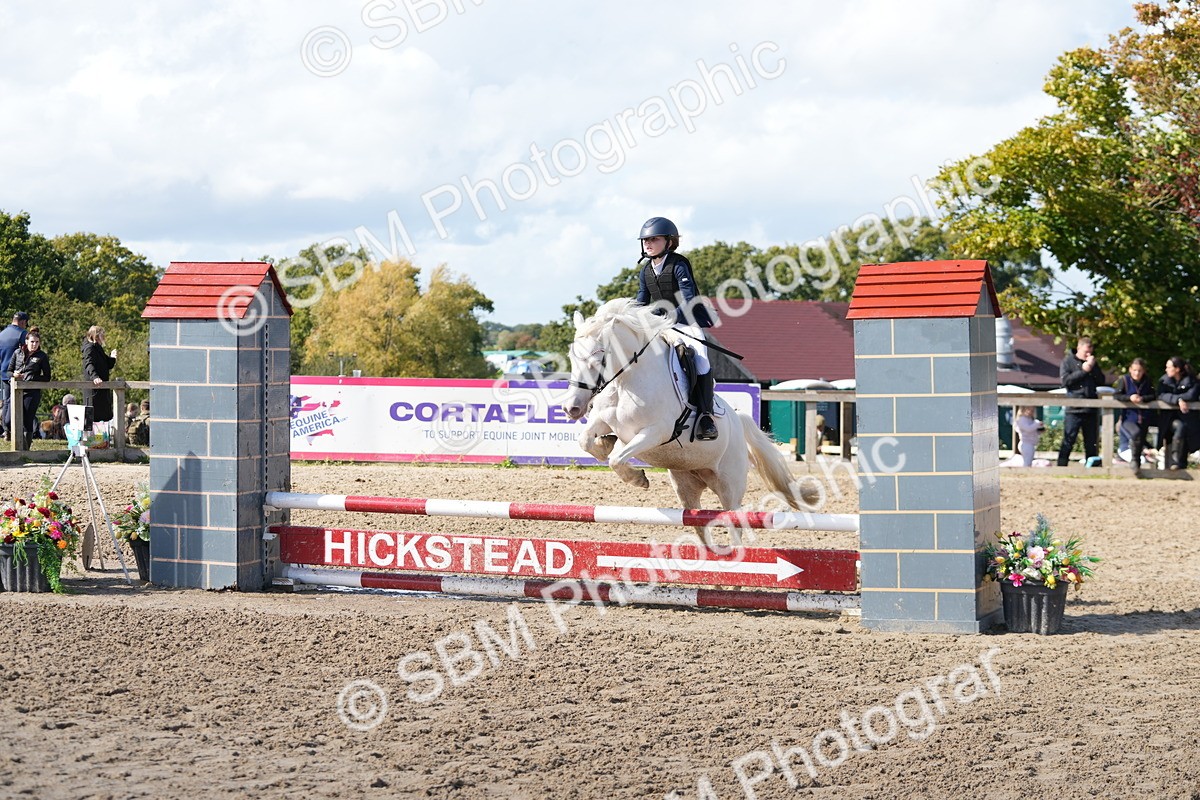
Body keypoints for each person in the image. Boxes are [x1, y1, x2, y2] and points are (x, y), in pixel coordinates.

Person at [633, 216, 719, 440]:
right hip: (659, 325)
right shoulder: (646, 270)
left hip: (685, 323)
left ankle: (706, 416)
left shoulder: (678, 264)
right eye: (645, 240)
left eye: (654, 239)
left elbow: (688, 299)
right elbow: (641, 301)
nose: (648, 243)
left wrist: (670, 318)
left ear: (669, 242)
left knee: (700, 360)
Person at [1056, 337, 1106, 466]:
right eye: (1086, 351)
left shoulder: (1093, 362)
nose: (1088, 354)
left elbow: (1101, 380)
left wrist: (1092, 367)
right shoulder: (1067, 362)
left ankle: (1092, 468)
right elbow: (1066, 381)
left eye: (1090, 351)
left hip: (1091, 407)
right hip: (1074, 408)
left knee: (1091, 441)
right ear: (1079, 348)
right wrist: (1084, 371)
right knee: (1069, 439)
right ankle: (1061, 466)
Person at [7, 328, 51, 450]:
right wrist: (14, 375)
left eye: (37, 342)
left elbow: (47, 377)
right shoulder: (17, 353)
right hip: (16, 390)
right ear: (26, 341)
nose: (34, 344)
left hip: (32, 392)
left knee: (28, 420)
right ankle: (13, 437)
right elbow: (8, 372)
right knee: (8, 419)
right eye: (32, 342)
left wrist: (31, 377)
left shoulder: (42, 356)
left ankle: (25, 449)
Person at [1112, 358, 1156, 476]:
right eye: (1135, 370)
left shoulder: (1147, 381)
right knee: (1135, 433)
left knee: (1141, 440)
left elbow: (1153, 395)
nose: (1137, 373)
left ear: (1143, 371)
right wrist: (1129, 398)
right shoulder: (1125, 380)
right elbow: (1117, 395)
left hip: (1143, 417)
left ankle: (1137, 467)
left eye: (1140, 371)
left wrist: (1143, 399)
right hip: (1129, 418)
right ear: (1130, 370)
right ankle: (1134, 462)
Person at [1156, 356, 1200, 470]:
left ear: (1177, 369)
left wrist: (1179, 398)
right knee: (1180, 427)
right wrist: (1178, 400)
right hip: (1169, 418)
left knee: (1186, 430)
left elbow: (1192, 395)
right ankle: (1176, 460)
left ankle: (1180, 463)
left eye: (1169, 367)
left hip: (1188, 418)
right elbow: (1161, 395)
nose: (1166, 369)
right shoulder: (1164, 381)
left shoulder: (1191, 380)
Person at [0, 311, 30, 439]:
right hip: (19, 374)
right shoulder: (22, 334)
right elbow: (28, 352)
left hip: (4, 373)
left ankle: (6, 430)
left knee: (7, 402)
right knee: (21, 402)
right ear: (23, 322)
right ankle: (19, 430)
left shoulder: (1, 334)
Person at [81, 325, 117, 426]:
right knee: (94, 417)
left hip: (100, 388)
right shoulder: (90, 348)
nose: (104, 337)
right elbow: (89, 364)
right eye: (102, 335)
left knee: (102, 417)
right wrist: (95, 377)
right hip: (94, 389)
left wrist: (113, 357)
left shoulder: (97, 348)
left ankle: (101, 441)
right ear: (96, 336)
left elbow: (106, 363)